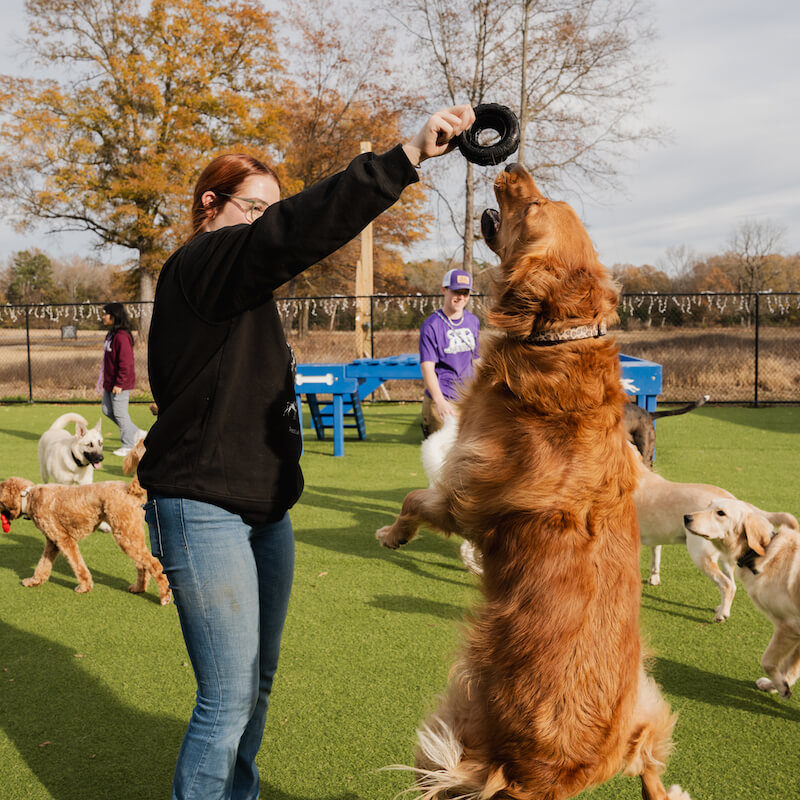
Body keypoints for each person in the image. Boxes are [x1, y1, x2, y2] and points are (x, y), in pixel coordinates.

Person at [137, 105, 476, 800]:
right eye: (253, 208)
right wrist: (404, 157)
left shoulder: (242, 291)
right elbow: (290, 237)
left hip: (263, 511)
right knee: (226, 698)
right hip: (202, 508)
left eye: (272, 209)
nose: (265, 222)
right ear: (210, 206)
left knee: (256, 686)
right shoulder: (202, 264)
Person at [419, 268, 480, 436]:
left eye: (465, 293)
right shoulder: (431, 325)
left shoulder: (472, 321)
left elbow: (475, 360)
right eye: (456, 291)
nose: (460, 297)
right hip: (443, 399)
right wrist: (439, 401)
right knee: (443, 458)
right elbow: (427, 367)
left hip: (467, 399)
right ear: (444, 290)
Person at [101, 302, 145, 457]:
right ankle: (136, 433)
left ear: (114, 316)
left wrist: (119, 383)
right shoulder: (111, 335)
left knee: (120, 413)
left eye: (106, 313)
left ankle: (128, 444)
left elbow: (126, 363)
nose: (103, 316)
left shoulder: (122, 337)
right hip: (109, 382)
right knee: (106, 410)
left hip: (120, 384)